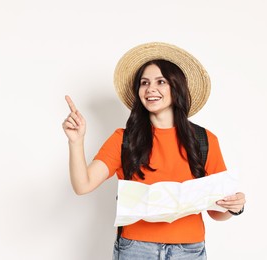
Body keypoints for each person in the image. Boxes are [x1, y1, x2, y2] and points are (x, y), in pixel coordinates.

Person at [62, 42, 246, 260]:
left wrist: (234, 207)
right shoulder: (124, 139)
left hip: (189, 251)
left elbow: (217, 211)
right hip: (136, 249)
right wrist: (76, 141)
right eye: (144, 83)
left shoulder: (204, 140)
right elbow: (83, 185)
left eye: (161, 82)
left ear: (176, 88)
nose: (150, 89)